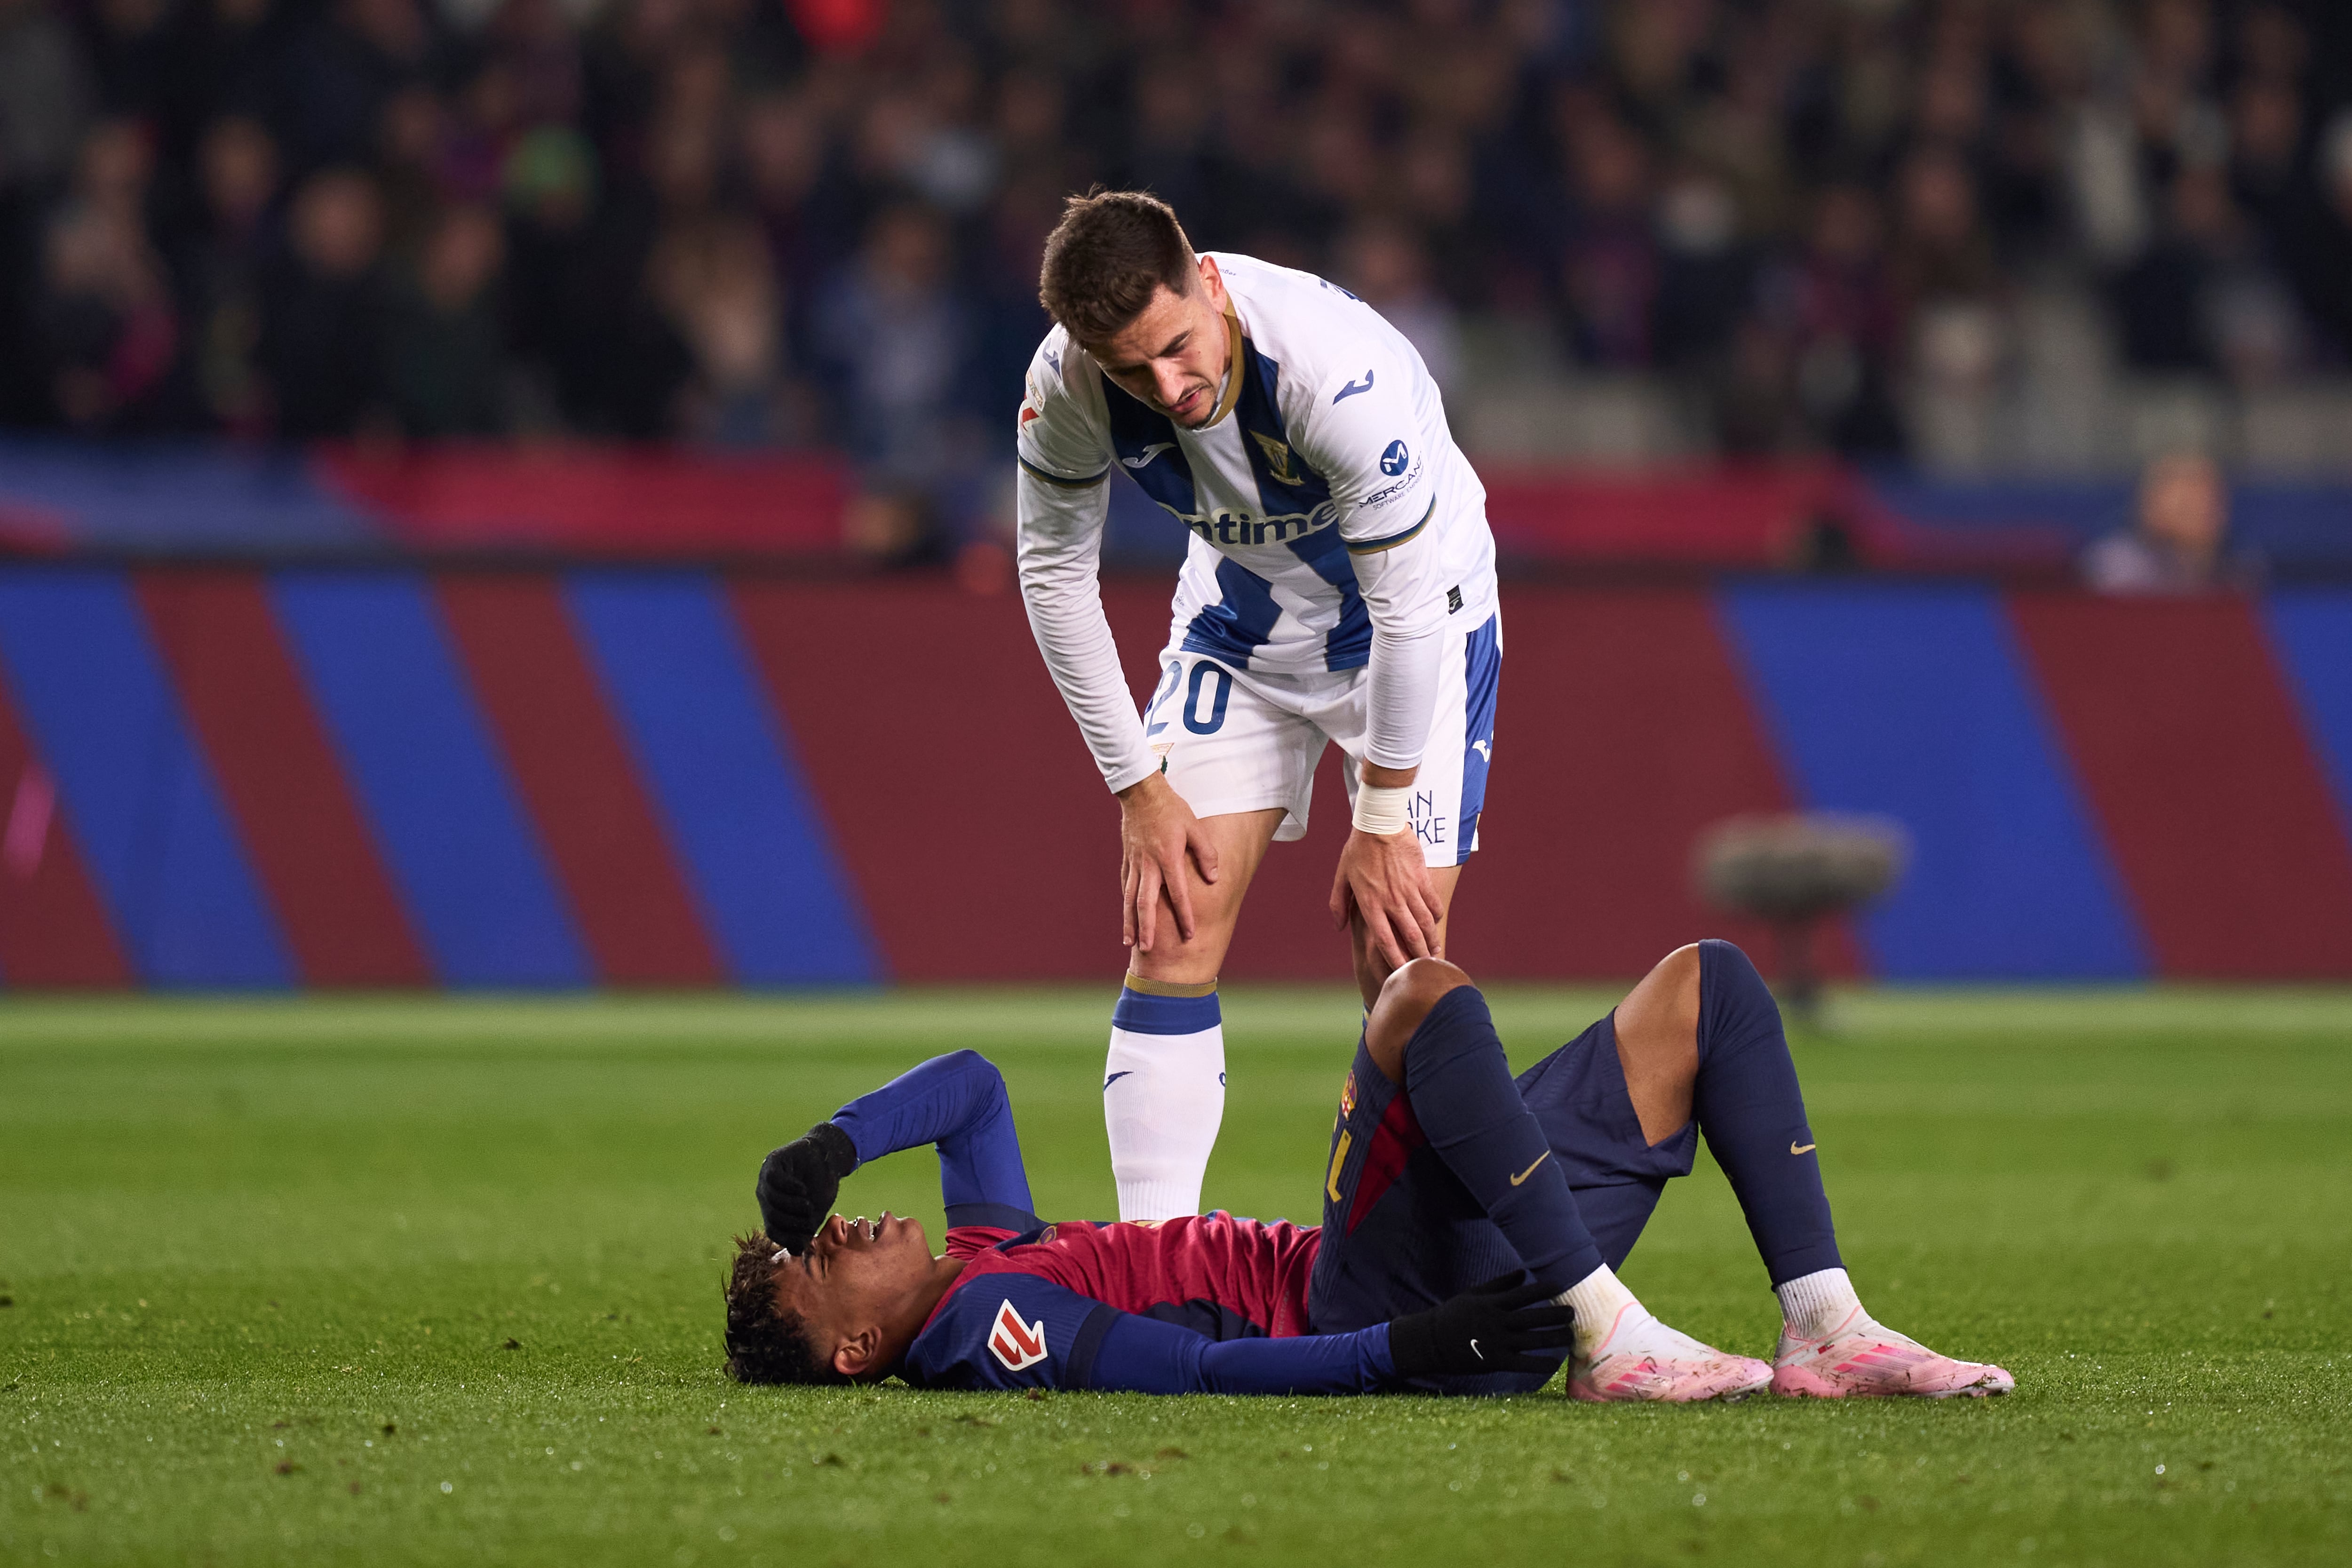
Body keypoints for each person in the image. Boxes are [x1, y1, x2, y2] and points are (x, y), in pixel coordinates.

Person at [726, 941, 2013, 1401]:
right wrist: (1403, 1348)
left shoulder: (974, 1258)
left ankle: (1826, 1324)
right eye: (821, 1265)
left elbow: (971, 1085)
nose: (839, 1231)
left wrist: (832, 1143)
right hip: (1386, 1308)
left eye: (820, 1228)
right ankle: (1610, 1334)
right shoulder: (986, 1328)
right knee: (1415, 999)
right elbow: (1194, 1366)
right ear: (853, 1351)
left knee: (1710, 991)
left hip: (1473, 1286)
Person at [1016, 190, 1502, 1222]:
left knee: (1400, 956)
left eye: (1177, 347)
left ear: (1207, 278)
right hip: (1241, 624)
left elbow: (1408, 610)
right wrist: (1136, 787)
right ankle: (1154, 1257)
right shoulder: (1064, 383)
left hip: (1408, 625)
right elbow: (1052, 575)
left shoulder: (1334, 372)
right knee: (1169, 922)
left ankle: (1397, 1268)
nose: (1166, 385)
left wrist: (1380, 818)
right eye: (1128, 370)